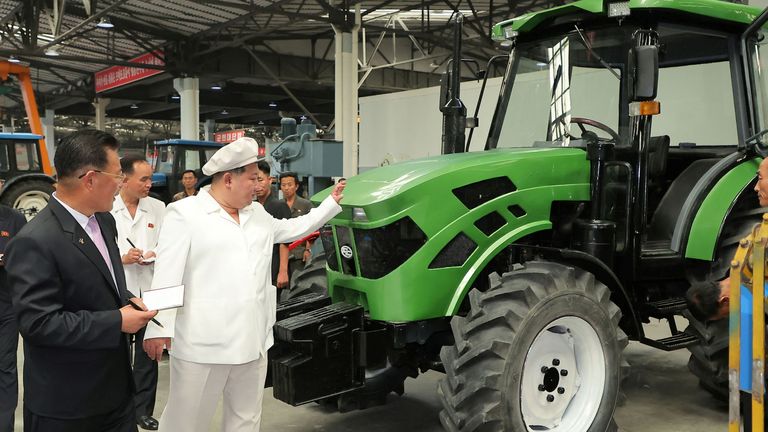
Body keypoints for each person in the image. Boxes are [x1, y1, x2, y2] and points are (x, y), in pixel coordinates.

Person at [142, 136, 345, 432]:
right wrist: (158, 327)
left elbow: (291, 229)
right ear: (228, 179)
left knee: (246, 419)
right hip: (203, 343)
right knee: (187, 421)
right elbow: (167, 273)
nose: (260, 186)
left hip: (252, 339)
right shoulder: (186, 214)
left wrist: (329, 205)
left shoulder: (257, 213)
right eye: (253, 179)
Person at [4, 129, 157, 432]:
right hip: (68, 405)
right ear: (90, 179)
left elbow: (101, 281)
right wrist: (116, 321)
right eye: (117, 177)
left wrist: (127, 299)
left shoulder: (104, 220)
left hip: (116, 393)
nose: (120, 185)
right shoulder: (36, 240)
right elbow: (39, 324)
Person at [111, 155, 166, 431]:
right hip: (119, 288)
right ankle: (119, 408)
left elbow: (168, 243)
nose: (149, 184)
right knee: (117, 353)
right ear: (125, 179)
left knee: (148, 352)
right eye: (143, 179)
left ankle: (143, 410)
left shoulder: (158, 207)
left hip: (151, 287)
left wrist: (154, 252)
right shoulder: (107, 207)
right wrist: (123, 257)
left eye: (150, 178)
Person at [0, 205, 25, 432]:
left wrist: (9, 259)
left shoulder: (15, 219)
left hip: (7, 306)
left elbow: (28, 257)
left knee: (5, 367)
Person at [255, 161, 291, 289]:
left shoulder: (279, 206)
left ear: (270, 180)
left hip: (274, 265)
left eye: (260, 180)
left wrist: (283, 271)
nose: (257, 185)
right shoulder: (253, 207)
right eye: (253, 180)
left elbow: (285, 241)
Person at [279, 172, 315, 278]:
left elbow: (312, 228)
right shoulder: (278, 204)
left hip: (299, 254)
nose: (286, 188)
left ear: (296, 186)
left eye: (289, 185)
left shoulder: (305, 204)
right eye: (283, 185)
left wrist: (307, 249)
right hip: (281, 254)